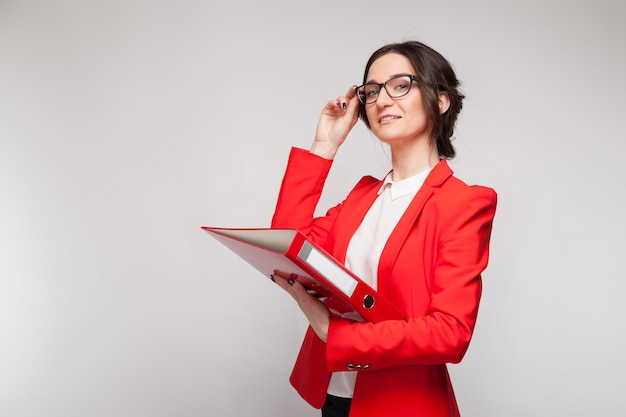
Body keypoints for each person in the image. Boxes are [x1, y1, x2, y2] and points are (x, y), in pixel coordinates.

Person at [271, 40, 497, 417]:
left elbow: (450, 333)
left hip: (401, 405)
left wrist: (336, 334)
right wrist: (324, 145)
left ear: (441, 100)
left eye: (401, 85)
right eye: (372, 91)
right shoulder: (362, 197)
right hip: (337, 398)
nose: (382, 100)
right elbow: (285, 249)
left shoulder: (463, 203)